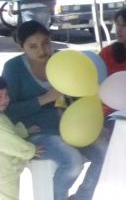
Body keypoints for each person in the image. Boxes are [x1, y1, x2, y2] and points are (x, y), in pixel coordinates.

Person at [1, 21, 107, 200]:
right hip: (34, 130)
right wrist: (43, 99)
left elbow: (82, 93)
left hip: (72, 127)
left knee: (105, 153)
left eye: (45, 43)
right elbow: (8, 111)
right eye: (33, 46)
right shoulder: (14, 68)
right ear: (21, 46)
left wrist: (90, 120)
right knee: (72, 162)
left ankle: (82, 197)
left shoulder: (63, 60)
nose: (41, 50)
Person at [0, 76, 41, 200]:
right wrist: (31, 150)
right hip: (4, 175)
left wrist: (24, 131)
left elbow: (9, 132)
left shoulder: (1, 116)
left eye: (6, 95)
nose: (4, 100)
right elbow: (10, 142)